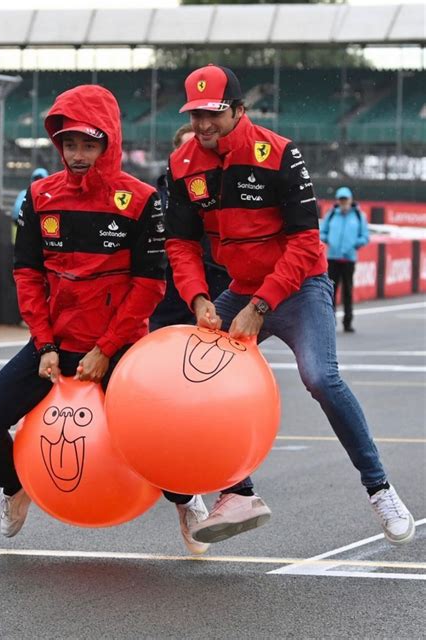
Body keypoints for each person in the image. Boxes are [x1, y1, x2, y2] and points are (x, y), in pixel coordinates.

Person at [163, 63, 415, 552]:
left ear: (239, 111)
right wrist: (198, 298)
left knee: (320, 377)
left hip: (300, 286)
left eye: (213, 113)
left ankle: (381, 489)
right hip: (240, 288)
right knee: (194, 379)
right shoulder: (182, 163)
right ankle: (236, 492)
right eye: (195, 115)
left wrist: (260, 305)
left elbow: (304, 244)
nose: (204, 125)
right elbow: (180, 245)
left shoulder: (278, 154)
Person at [0, 85, 166, 539]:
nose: (77, 154)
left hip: (118, 348)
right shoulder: (39, 196)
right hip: (55, 344)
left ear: (108, 143)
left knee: (158, 438)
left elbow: (150, 285)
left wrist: (107, 349)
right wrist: (45, 344)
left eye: (88, 145)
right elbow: (28, 275)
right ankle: (14, 488)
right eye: (69, 144)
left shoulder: (140, 199)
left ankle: (185, 499)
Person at [150, 123, 231, 331]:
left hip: (213, 281)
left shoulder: (221, 190)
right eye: (189, 148)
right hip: (168, 292)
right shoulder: (153, 199)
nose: (196, 155)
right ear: (177, 153)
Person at [320, 187, 370, 333]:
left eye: (345, 199)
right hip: (333, 258)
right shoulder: (331, 214)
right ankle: (330, 320)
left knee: (347, 291)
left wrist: (354, 244)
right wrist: (330, 240)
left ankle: (348, 321)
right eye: (340, 199)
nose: (343, 202)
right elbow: (323, 232)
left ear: (350, 200)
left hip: (349, 259)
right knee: (331, 292)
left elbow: (365, 236)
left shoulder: (359, 216)